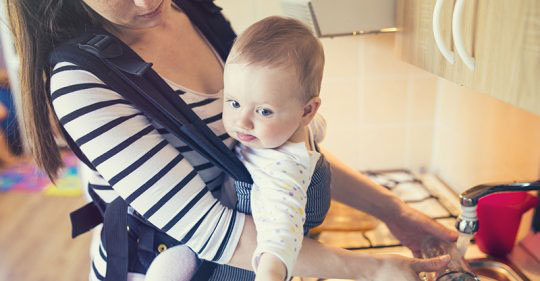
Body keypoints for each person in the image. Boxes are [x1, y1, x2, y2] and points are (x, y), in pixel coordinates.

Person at [6, 0, 457, 281]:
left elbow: (275, 149)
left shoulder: (194, 11)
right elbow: (215, 233)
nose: (147, 1)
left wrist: (396, 213)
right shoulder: (82, 83)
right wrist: (374, 268)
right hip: (173, 266)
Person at [146, 16, 328, 281]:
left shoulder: (282, 167)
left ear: (306, 111)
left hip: (239, 271)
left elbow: (281, 229)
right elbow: (319, 126)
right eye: (233, 103)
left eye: (264, 111)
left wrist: (271, 273)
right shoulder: (297, 126)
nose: (242, 122)